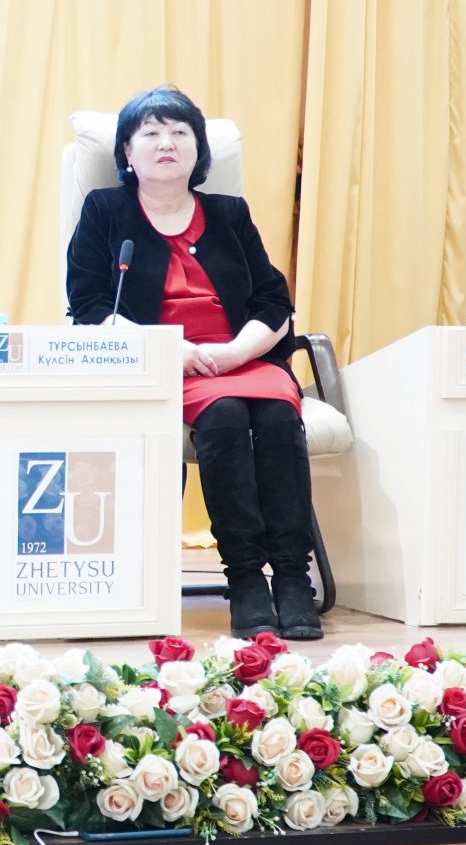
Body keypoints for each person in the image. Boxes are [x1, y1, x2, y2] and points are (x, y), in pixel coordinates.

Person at [67, 85, 321, 639]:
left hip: (241, 355)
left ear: (199, 150)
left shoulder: (229, 214)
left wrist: (235, 351)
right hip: (161, 363)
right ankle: (246, 578)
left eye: (180, 132)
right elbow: (89, 306)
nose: (167, 143)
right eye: (151, 133)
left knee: (280, 418)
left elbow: (272, 302)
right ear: (126, 152)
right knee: (225, 416)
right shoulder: (105, 210)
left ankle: (293, 577)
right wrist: (168, 350)